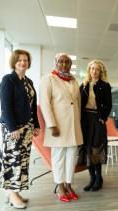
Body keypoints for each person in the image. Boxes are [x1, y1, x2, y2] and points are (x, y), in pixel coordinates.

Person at [0, 49, 40, 209]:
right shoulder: (8, 80)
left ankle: (13, 191)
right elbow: (6, 107)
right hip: (13, 128)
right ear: (14, 62)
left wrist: (36, 124)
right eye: (20, 60)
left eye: (26, 60)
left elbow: (32, 106)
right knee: (12, 160)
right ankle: (12, 193)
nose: (23, 63)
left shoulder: (28, 82)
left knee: (22, 160)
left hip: (27, 127)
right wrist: (12, 127)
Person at [40, 53, 83, 202]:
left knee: (72, 156)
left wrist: (78, 122)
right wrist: (51, 125)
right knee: (58, 157)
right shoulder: (48, 79)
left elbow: (77, 103)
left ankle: (69, 185)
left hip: (73, 125)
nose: (64, 64)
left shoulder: (74, 81)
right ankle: (60, 187)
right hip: (58, 124)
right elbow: (45, 103)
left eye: (67, 62)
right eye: (61, 62)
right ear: (55, 63)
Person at [80, 59, 112, 191]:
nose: (94, 71)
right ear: (89, 70)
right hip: (85, 119)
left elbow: (109, 104)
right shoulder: (83, 85)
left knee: (96, 150)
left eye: (97, 69)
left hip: (97, 119)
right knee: (87, 149)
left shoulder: (105, 85)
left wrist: (104, 117)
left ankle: (99, 178)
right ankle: (92, 178)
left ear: (101, 71)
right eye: (92, 68)